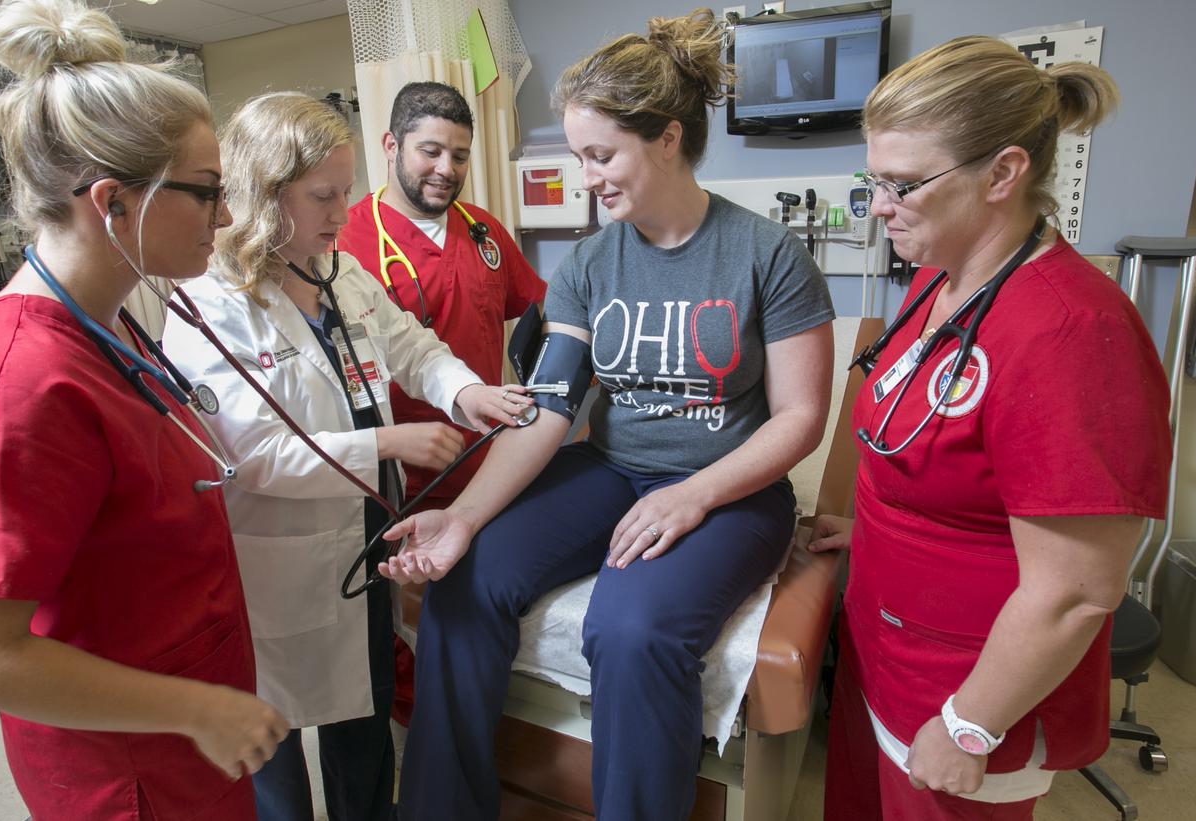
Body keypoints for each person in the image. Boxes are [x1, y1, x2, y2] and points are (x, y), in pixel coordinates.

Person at [380, 11, 836, 821]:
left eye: (600, 155)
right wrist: (462, 516)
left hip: (731, 485)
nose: (586, 177)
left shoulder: (766, 254)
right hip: (611, 466)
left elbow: (799, 418)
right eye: (578, 156)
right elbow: (552, 408)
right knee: (468, 577)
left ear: (666, 138)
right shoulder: (590, 261)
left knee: (633, 628)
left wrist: (693, 494)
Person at [0, 1, 288, 817]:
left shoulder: (107, 328)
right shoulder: (19, 385)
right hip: (131, 772)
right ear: (113, 201)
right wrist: (200, 709)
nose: (224, 220)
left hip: (185, 734)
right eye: (207, 193)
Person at [805, 36, 1173, 820]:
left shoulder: (1072, 333)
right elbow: (923, 441)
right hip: (884, 644)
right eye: (874, 180)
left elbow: (1077, 591)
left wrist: (971, 723)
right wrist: (873, 529)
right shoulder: (941, 281)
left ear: (1004, 173)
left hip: (966, 688)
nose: (878, 206)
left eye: (902, 184)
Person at [161, 92, 532, 821]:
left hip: (360, 527)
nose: (342, 211)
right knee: (271, 738)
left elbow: (412, 347)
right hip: (276, 555)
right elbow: (254, 457)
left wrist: (466, 392)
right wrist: (387, 443)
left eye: (345, 190)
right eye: (323, 194)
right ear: (267, 193)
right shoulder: (209, 302)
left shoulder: (338, 272)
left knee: (362, 713)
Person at [337, 81, 546, 510]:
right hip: (398, 474)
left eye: (460, 156)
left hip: (489, 462)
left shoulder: (482, 230)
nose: (447, 169)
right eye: (430, 152)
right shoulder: (343, 240)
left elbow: (542, 313)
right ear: (391, 146)